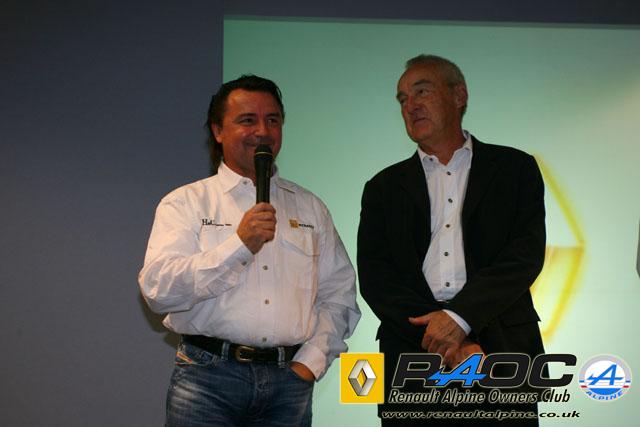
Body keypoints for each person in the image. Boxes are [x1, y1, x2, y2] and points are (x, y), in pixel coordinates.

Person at [139, 75, 360, 426]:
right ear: (218, 131)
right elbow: (157, 291)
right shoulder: (186, 202)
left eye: (273, 120)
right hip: (207, 379)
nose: (262, 131)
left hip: (289, 385)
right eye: (247, 120)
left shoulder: (310, 207)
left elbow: (340, 295)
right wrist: (239, 245)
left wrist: (310, 363)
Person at [357, 55, 546, 425]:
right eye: (402, 99)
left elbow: (524, 256)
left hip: (500, 348)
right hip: (413, 352)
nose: (410, 105)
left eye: (422, 92)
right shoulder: (382, 187)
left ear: (459, 95)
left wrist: (460, 320)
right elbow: (377, 277)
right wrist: (442, 336)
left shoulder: (515, 169)